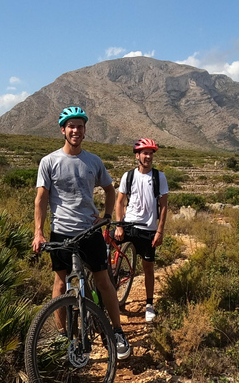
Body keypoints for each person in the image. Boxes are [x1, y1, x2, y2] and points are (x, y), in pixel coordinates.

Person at [32, 106, 131, 359]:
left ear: (85, 131)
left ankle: (118, 332)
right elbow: (41, 199)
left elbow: (110, 191)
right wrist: (38, 233)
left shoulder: (93, 161)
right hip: (61, 233)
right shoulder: (50, 161)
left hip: (90, 232)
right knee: (60, 283)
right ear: (63, 130)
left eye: (80, 126)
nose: (76, 130)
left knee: (102, 280)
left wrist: (107, 217)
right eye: (71, 126)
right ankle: (63, 335)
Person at [114, 138, 169, 322]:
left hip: (148, 229)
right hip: (129, 225)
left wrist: (159, 231)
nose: (148, 156)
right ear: (137, 155)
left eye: (151, 153)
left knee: (148, 268)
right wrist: (119, 224)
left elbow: (164, 206)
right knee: (114, 262)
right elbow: (119, 202)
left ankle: (149, 304)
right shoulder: (128, 176)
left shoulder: (158, 177)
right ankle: (114, 296)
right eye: (145, 153)